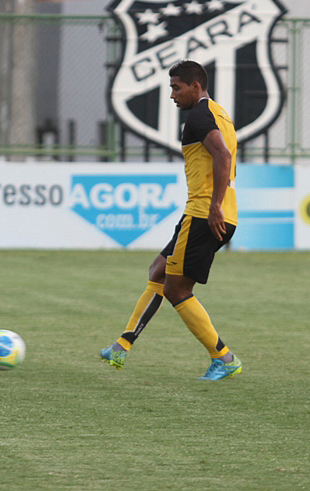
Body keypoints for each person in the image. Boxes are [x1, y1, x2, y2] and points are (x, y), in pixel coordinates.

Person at [99, 60, 241, 380]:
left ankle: (224, 358)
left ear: (195, 86)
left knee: (177, 290)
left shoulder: (199, 116)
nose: (173, 95)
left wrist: (214, 207)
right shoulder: (220, 113)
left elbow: (223, 156)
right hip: (209, 213)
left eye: (177, 88)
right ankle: (122, 345)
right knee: (158, 270)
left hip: (205, 214)